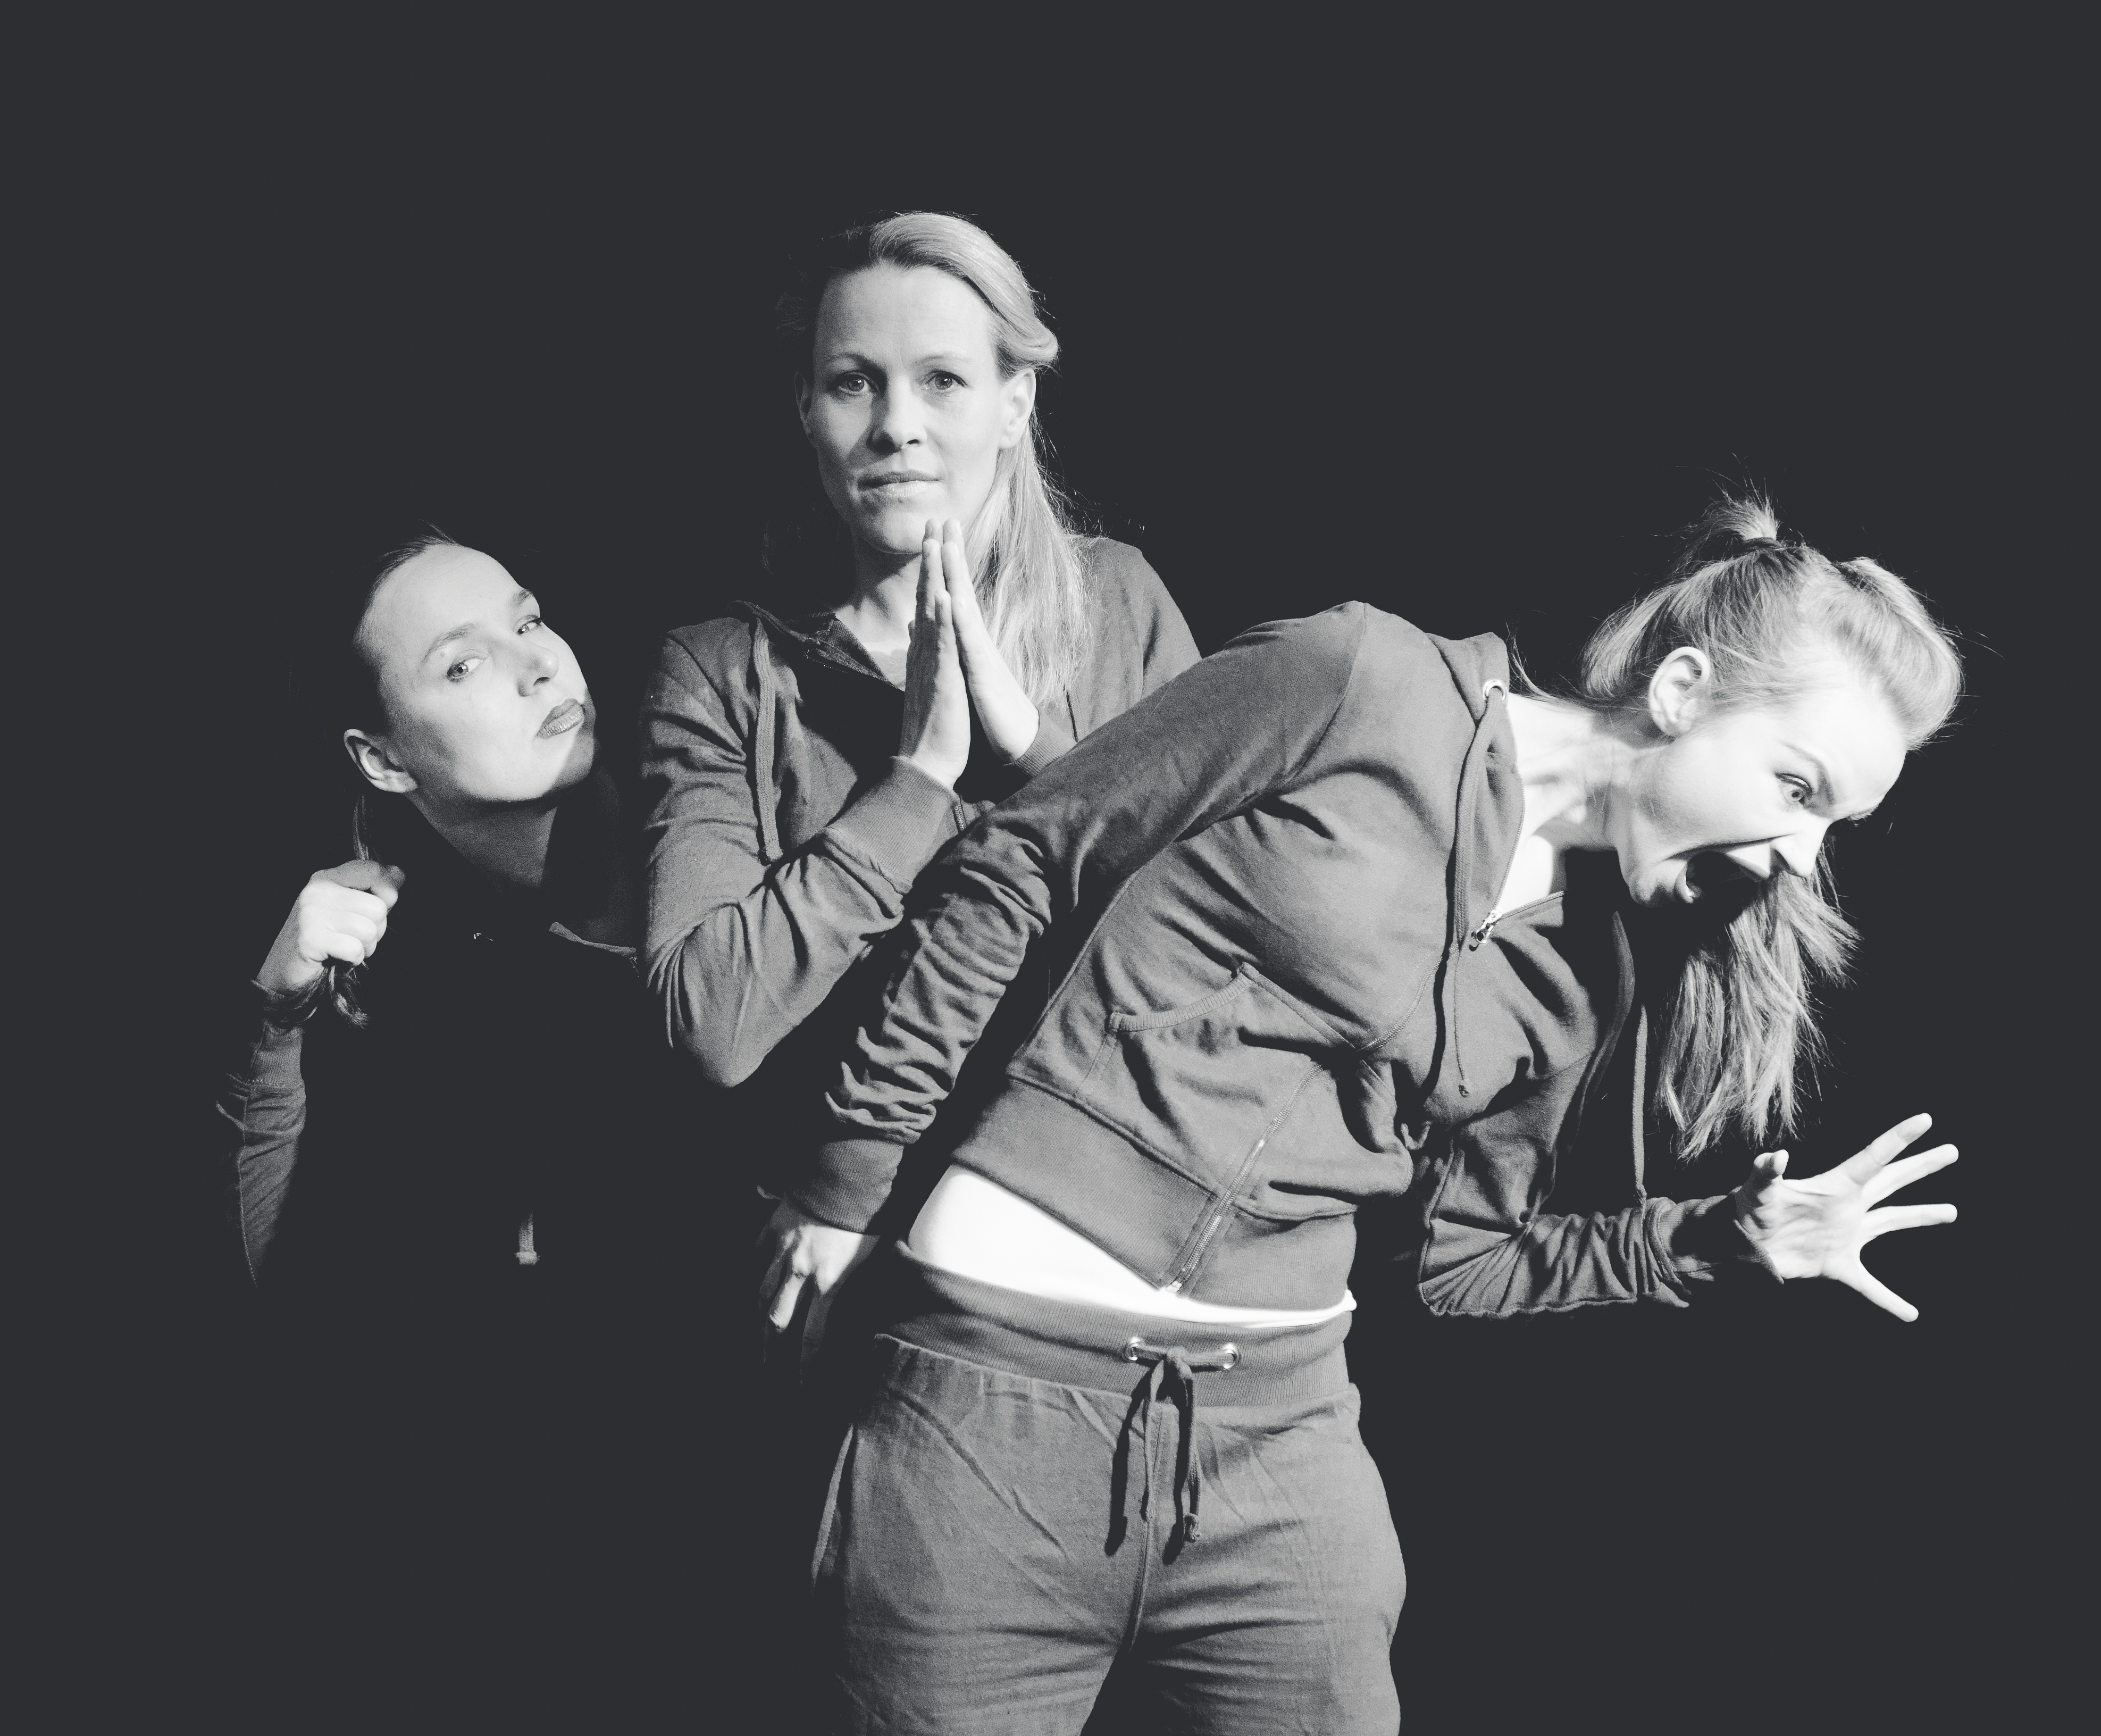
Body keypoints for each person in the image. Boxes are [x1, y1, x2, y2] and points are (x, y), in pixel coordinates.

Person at [758, 495, 1965, 1733]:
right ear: (1679, 690)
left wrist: (1714, 1238)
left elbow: (1464, 1260)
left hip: (1275, 1454)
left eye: (1832, 824)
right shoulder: (1357, 680)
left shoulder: (1597, 966)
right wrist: (850, 1175)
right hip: (989, 1409)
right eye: (1795, 786)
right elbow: (1026, 860)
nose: (1799, 857)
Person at [638, 211, 1199, 1303]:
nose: (897, 425)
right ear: (806, 409)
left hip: (1095, 1254)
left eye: (942, 380)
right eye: (854, 382)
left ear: (1013, 403)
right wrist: (916, 781)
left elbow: (1210, 935)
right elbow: (710, 1026)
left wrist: (1034, 748)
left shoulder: (1117, 604)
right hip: (840, 1285)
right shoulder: (720, 670)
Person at [220, 534, 701, 1727]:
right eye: (461, 664)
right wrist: (276, 1017)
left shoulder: (705, 849)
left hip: (721, 1481)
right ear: (382, 758)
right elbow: (289, 1286)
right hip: (482, 1542)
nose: (539, 666)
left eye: (529, 621)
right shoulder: (376, 944)